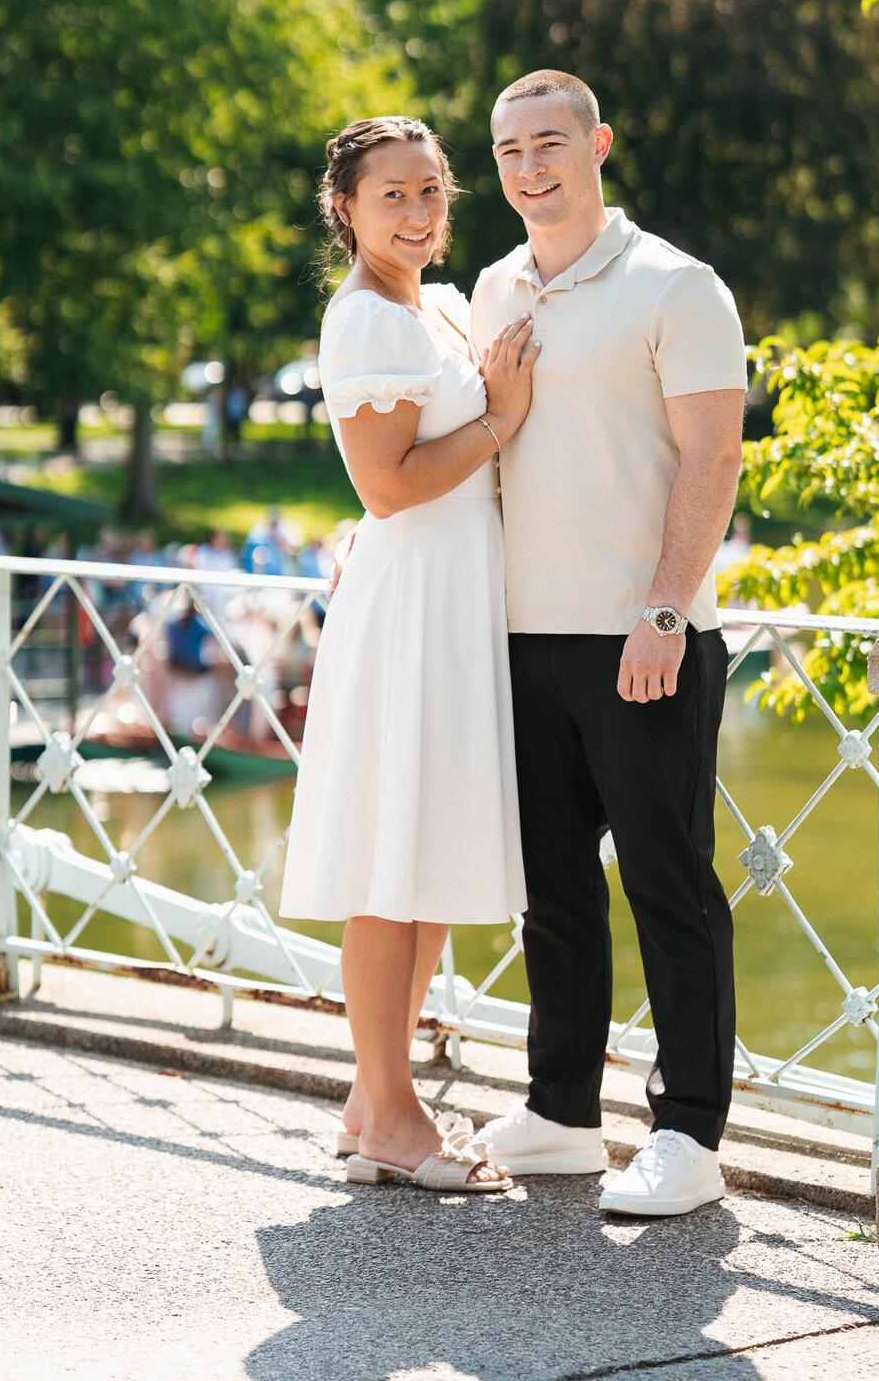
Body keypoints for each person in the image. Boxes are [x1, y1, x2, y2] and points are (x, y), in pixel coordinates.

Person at [471, 70, 747, 1217]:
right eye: (509, 152)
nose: (530, 169)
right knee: (551, 892)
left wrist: (665, 610)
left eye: (549, 145)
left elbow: (712, 458)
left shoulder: (677, 284)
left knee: (668, 885)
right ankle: (561, 1113)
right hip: (519, 638)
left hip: (644, 639)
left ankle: (688, 1132)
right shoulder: (491, 288)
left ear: (599, 147)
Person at [279, 115, 539, 1197]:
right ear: (346, 209)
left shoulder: (432, 304)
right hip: (413, 601)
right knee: (392, 864)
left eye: (433, 191)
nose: (421, 213)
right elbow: (384, 487)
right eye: (394, 195)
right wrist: (501, 420)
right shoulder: (366, 322)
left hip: (451, 594)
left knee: (421, 856)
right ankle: (391, 1110)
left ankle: (371, 1098)